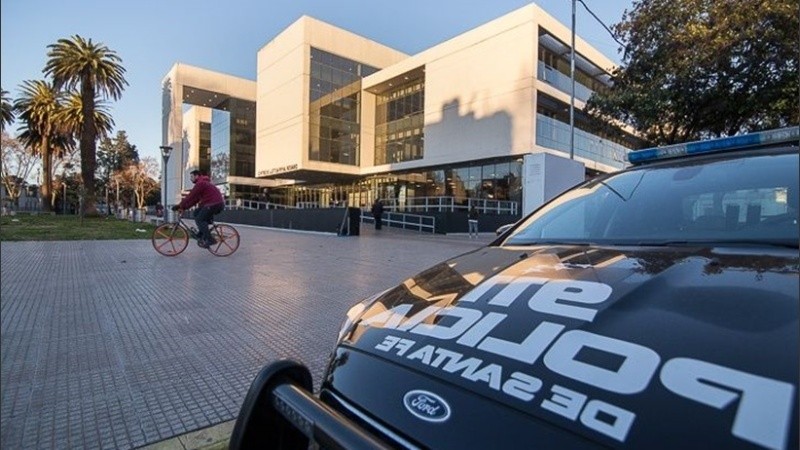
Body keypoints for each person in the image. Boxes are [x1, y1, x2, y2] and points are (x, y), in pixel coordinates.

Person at [172, 169, 225, 248]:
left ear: (197, 176)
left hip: (214, 204)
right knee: (196, 212)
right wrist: (184, 207)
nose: (191, 179)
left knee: (199, 219)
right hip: (213, 204)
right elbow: (195, 200)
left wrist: (180, 205)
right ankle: (202, 234)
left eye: (192, 177)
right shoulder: (202, 183)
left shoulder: (201, 183)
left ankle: (210, 240)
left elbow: (191, 196)